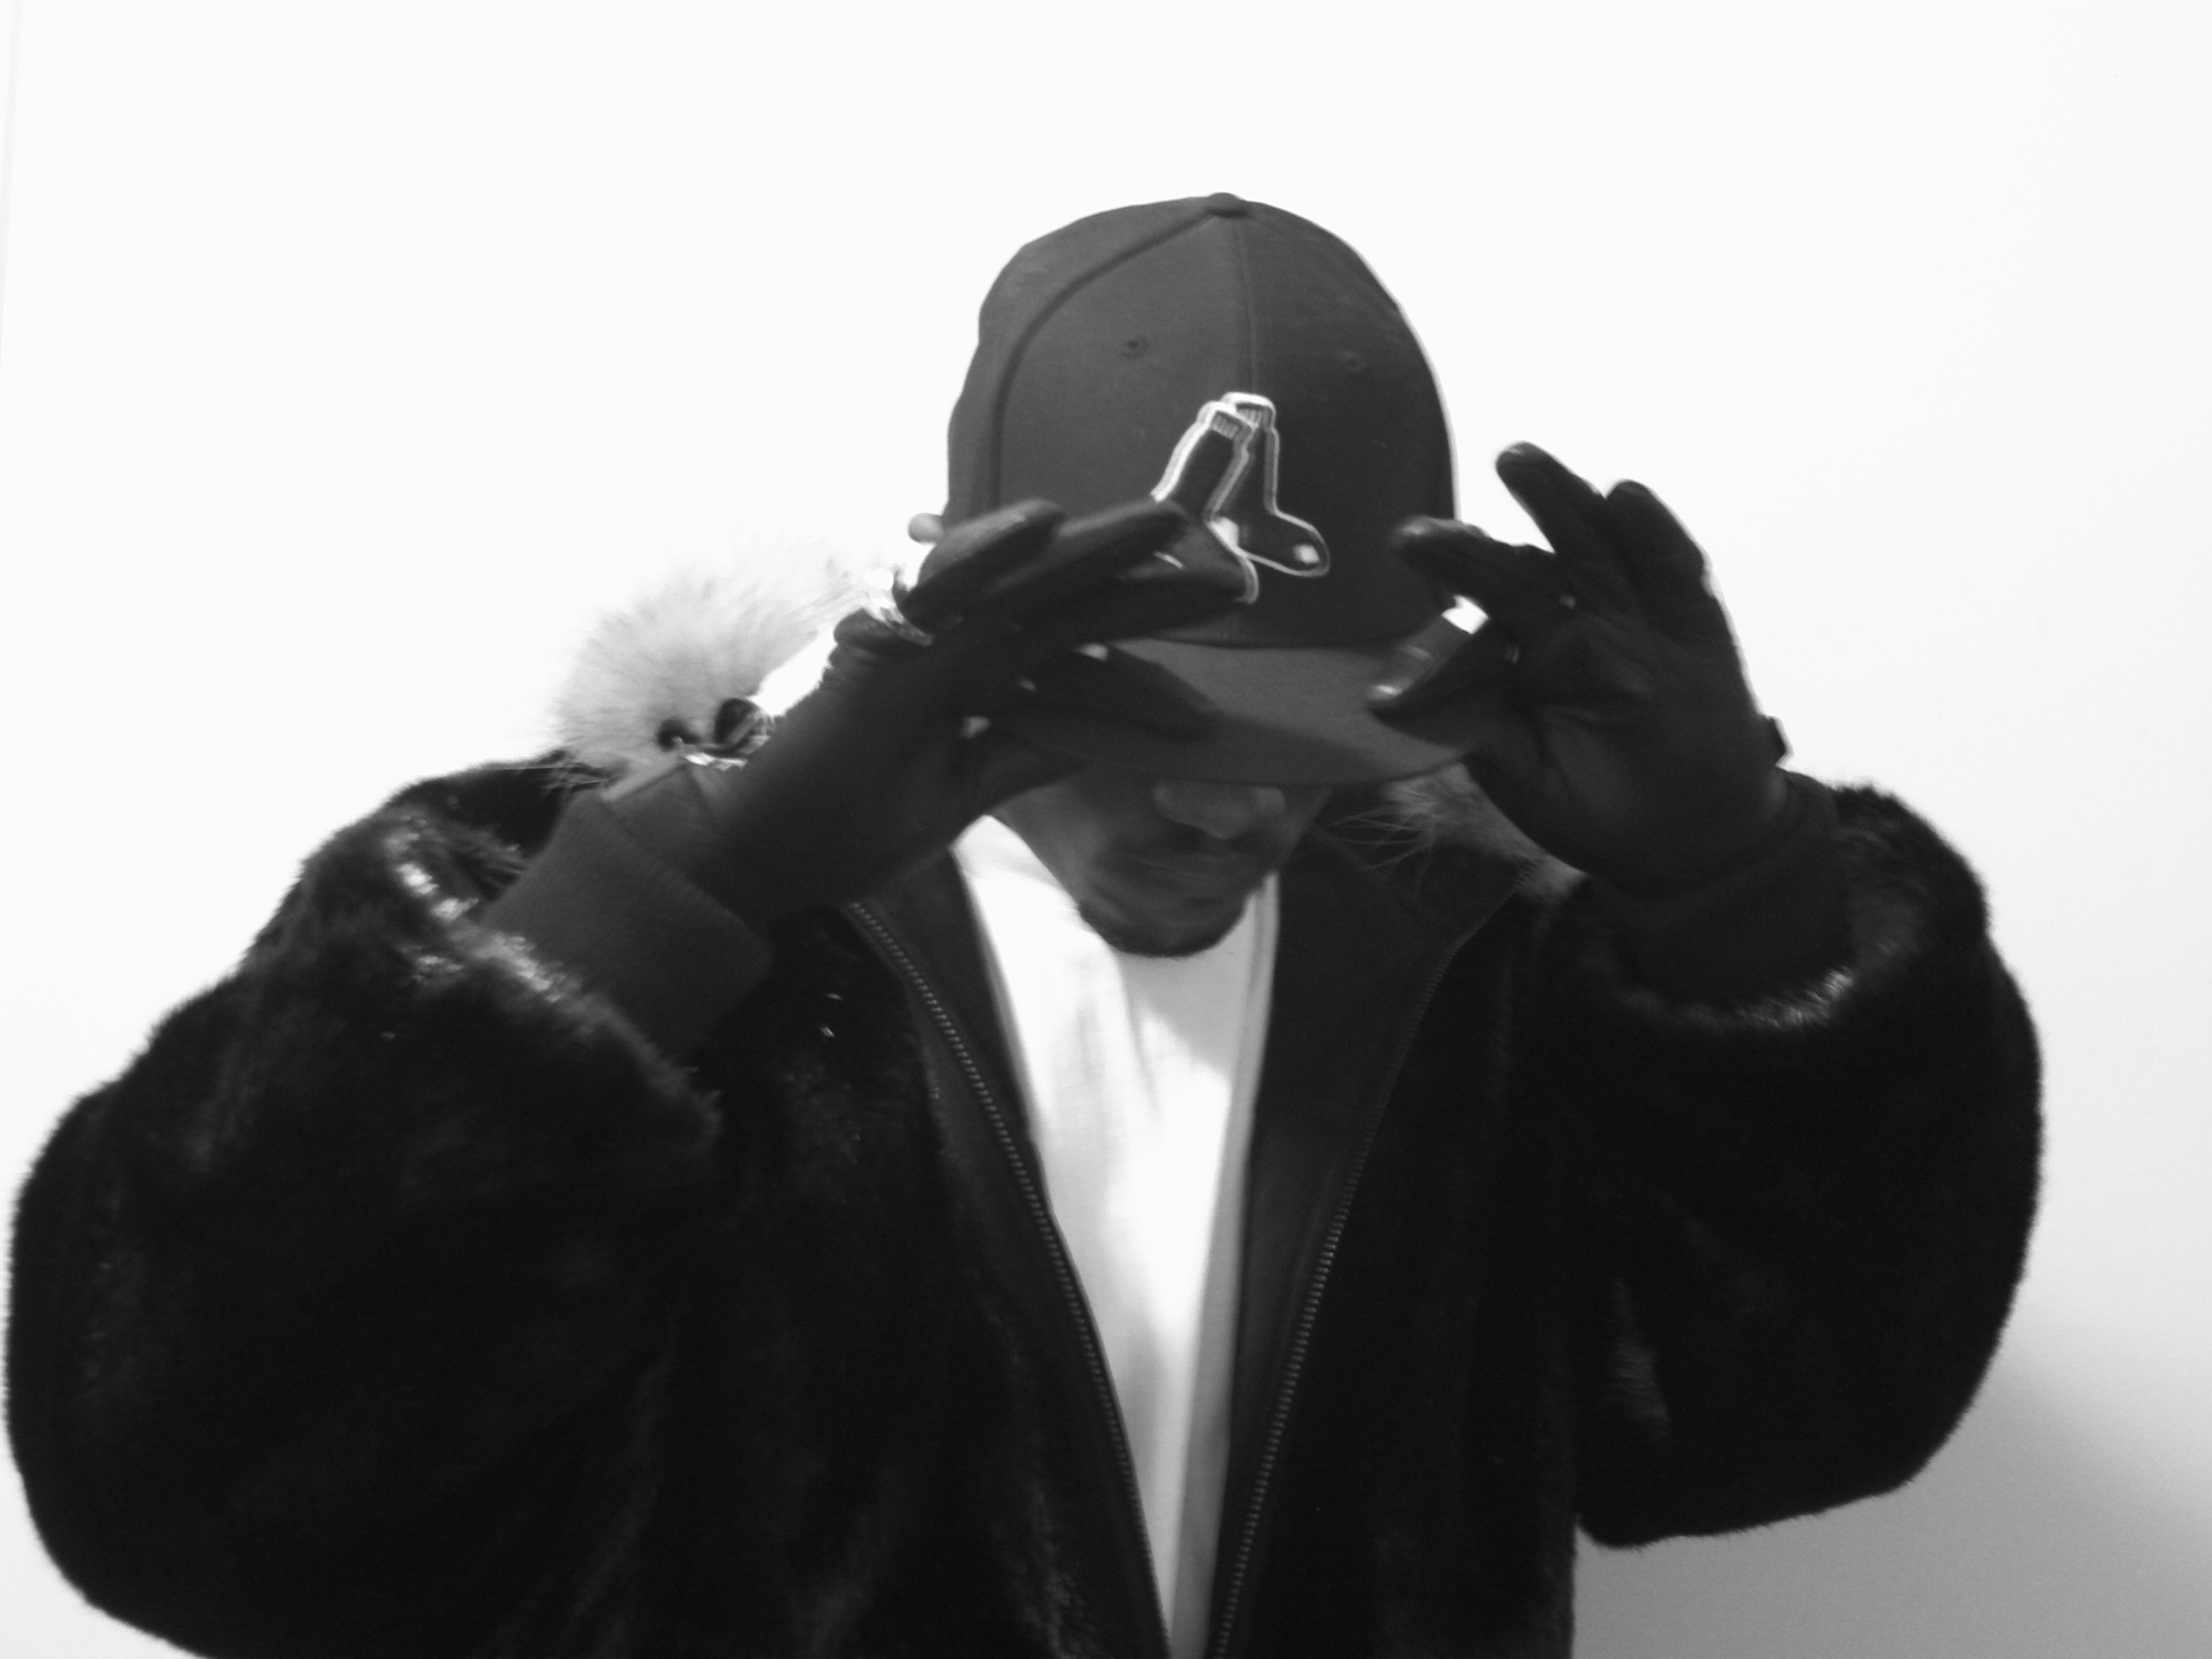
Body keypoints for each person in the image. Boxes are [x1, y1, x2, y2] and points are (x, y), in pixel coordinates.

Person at [8, 194, 2041, 1659]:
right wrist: (679, 898)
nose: (1234, 804)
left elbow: (1778, 1431)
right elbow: (185, 1504)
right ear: (975, 596)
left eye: (1312, 735)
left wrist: (1746, 902)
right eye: (1151, 724)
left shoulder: (1479, 966)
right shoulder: (583, 926)